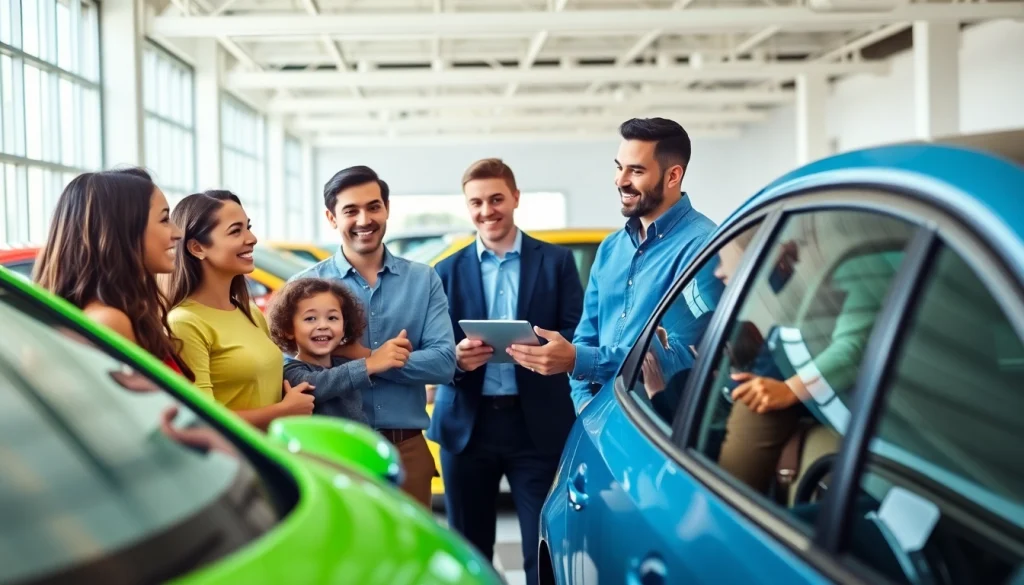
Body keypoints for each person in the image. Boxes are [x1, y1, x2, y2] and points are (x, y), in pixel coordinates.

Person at [428, 158, 583, 585]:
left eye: (496, 199)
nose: (486, 210)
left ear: (515, 198)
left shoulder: (556, 262)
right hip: (467, 426)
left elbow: (576, 332)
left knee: (542, 545)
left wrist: (553, 351)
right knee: (470, 550)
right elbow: (434, 349)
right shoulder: (445, 271)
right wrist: (456, 359)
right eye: (476, 202)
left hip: (536, 426)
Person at [506, 117, 717, 414]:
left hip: (656, 423)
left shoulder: (704, 246)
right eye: (619, 167)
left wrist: (578, 360)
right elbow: (586, 334)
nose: (621, 180)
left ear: (673, 176)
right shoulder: (610, 248)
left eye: (637, 170)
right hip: (600, 418)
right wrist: (585, 405)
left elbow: (685, 356)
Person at [292, 165, 456, 507]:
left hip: (407, 449)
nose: (364, 219)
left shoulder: (423, 280)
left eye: (373, 207)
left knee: (411, 556)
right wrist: (379, 361)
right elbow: (296, 378)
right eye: (351, 210)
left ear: (387, 209)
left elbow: (443, 363)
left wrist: (362, 355)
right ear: (331, 217)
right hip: (335, 450)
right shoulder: (304, 288)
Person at [166, 190, 314, 430]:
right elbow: (202, 419)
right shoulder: (185, 322)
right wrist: (283, 411)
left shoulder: (250, 312)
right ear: (196, 248)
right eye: (236, 231)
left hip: (273, 455)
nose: (252, 238)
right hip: (237, 461)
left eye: (248, 227)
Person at [34, 167, 193, 378]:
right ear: (123, 229)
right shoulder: (109, 320)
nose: (177, 233)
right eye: (164, 220)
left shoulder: (128, 310)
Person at [267, 277, 412, 424]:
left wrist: (392, 353)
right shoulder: (290, 372)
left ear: (344, 327)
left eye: (332, 318)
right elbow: (318, 385)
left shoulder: (343, 364)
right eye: (310, 318)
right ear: (288, 329)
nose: (323, 325)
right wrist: (370, 364)